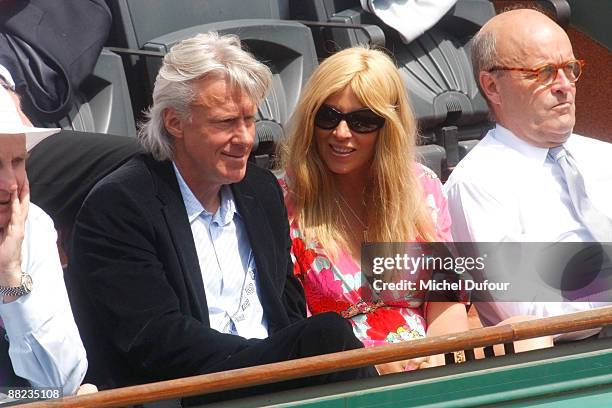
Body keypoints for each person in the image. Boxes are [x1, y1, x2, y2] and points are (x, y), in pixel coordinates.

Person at [67, 32, 376, 395]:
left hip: (279, 386)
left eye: (249, 120)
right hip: (188, 392)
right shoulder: (121, 206)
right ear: (175, 122)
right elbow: (156, 342)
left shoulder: (261, 191)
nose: (246, 138)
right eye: (226, 122)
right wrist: (275, 360)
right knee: (328, 337)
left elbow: (286, 307)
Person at [278, 46, 470, 373]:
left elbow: (446, 304)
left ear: (387, 128)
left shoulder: (421, 187)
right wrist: (378, 368)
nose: (341, 133)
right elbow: (292, 331)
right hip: (342, 378)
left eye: (362, 121)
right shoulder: (284, 203)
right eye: (328, 116)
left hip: (426, 368)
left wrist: (435, 362)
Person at [444, 8, 612, 333]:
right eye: (545, 72)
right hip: (569, 364)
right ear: (492, 86)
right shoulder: (477, 184)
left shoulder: (604, 156)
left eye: (570, 69)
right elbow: (534, 313)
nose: (565, 86)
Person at [0, 76, 87, 395]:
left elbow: (61, 384)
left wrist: (10, 277)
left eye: (17, 162)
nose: (10, 184)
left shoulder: (31, 225)